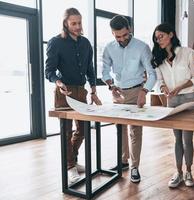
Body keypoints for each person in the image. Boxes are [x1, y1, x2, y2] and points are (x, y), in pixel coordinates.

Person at [45, 8, 102, 183]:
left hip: (81, 92)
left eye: (79, 22)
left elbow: (90, 69)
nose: (78, 26)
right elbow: (49, 71)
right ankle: (70, 166)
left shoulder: (86, 43)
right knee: (66, 131)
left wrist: (93, 90)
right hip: (64, 92)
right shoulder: (56, 42)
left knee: (83, 129)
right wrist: (58, 82)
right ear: (66, 23)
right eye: (73, 23)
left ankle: (69, 161)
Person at [101, 15, 156, 183]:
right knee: (120, 129)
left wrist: (145, 91)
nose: (122, 39)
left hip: (136, 91)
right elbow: (104, 71)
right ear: (112, 33)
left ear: (129, 29)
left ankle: (135, 167)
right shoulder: (109, 48)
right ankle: (123, 162)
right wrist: (111, 86)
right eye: (117, 36)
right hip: (118, 92)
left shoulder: (142, 47)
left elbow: (152, 74)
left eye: (124, 35)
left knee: (134, 131)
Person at [151, 23, 194, 188]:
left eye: (162, 36)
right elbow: (160, 81)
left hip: (188, 99)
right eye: (157, 38)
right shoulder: (158, 58)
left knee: (188, 139)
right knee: (177, 139)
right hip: (172, 101)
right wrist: (164, 88)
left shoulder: (187, 53)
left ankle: (188, 172)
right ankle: (178, 172)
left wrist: (179, 87)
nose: (159, 41)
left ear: (171, 34)